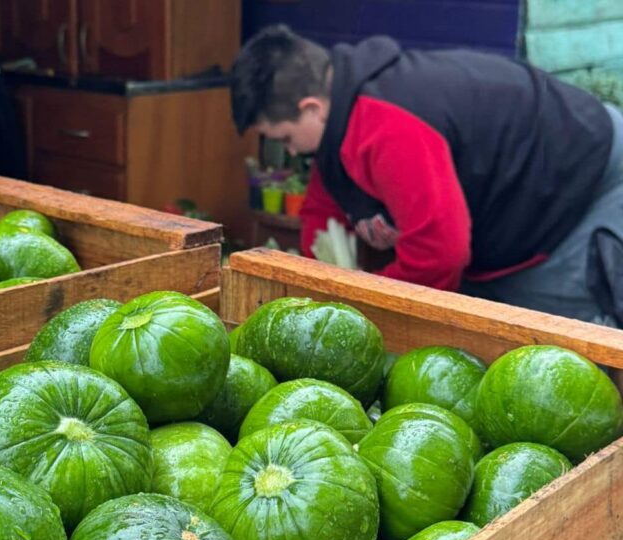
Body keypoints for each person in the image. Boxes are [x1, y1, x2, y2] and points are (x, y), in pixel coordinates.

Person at [229, 24, 623, 326]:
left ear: (312, 107)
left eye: (285, 138)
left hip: (582, 184)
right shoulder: (340, 113)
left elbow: (440, 255)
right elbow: (323, 207)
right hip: (515, 195)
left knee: (556, 343)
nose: (293, 152)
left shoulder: (389, 125)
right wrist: (321, 285)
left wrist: (365, 304)